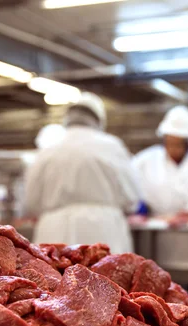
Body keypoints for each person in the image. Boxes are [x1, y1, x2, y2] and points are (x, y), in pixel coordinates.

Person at [24, 92, 140, 252]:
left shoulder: (49, 149)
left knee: (56, 275)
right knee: (105, 275)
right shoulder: (112, 147)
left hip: (55, 231)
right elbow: (132, 197)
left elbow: (31, 201)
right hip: (104, 230)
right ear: (99, 119)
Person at [133, 106, 188, 217]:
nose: (173, 149)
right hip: (155, 227)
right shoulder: (145, 160)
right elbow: (130, 188)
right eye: (169, 143)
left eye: (178, 144)